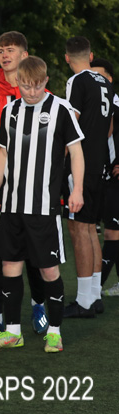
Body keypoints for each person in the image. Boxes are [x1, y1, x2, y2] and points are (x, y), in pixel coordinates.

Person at [0, 56, 83, 353]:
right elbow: (2, 154)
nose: (32, 92)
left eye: (38, 86)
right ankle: (13, 331)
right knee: (9, 265)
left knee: (48, 270)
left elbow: (76, 152)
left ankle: (54, 331)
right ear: (18, 83)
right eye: (26, 86)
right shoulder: (10, 110)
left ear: (46, 82)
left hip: (44, 207)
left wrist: (76, 190)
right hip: (12, 206)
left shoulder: (60, 108)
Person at [63, 36, 112, 318]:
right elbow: (107, 129)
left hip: (81, 163)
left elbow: (72, 122)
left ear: (67, 58)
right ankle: (93, 295)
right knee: (90, 227)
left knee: (79, 229)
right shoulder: (105, 82)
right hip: (100, 163)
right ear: (91, 56)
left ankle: (83, 302)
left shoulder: (77, 81)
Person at [90, 57, 119, 296]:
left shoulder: (115, 102)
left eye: (99, 76)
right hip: (105, 174)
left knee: (111, 232)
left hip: (114, 177)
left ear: (109, 79)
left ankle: (95, 288)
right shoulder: (101, 103)